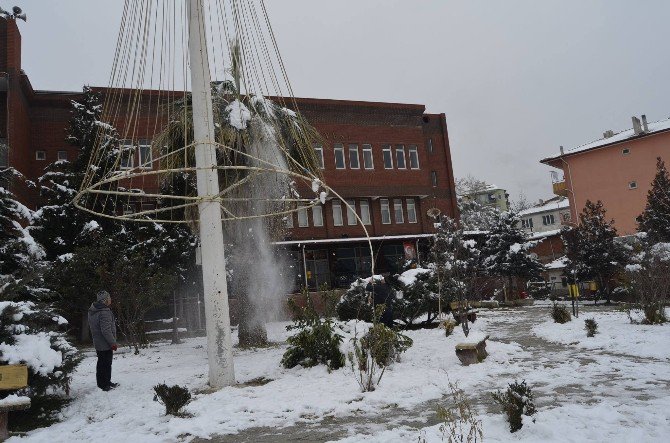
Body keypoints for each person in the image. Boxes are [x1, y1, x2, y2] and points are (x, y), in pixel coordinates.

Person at [88, 290, 119, 391]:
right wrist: (112, 343)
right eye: (109, 298)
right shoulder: (104, 312)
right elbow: (106, 330)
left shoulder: (93, 310)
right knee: (105, 363)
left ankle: (105, 382)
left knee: (103, 363)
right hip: (105, 342)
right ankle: (103, 384)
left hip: (98, 341)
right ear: (105, 300)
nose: (110, 300)